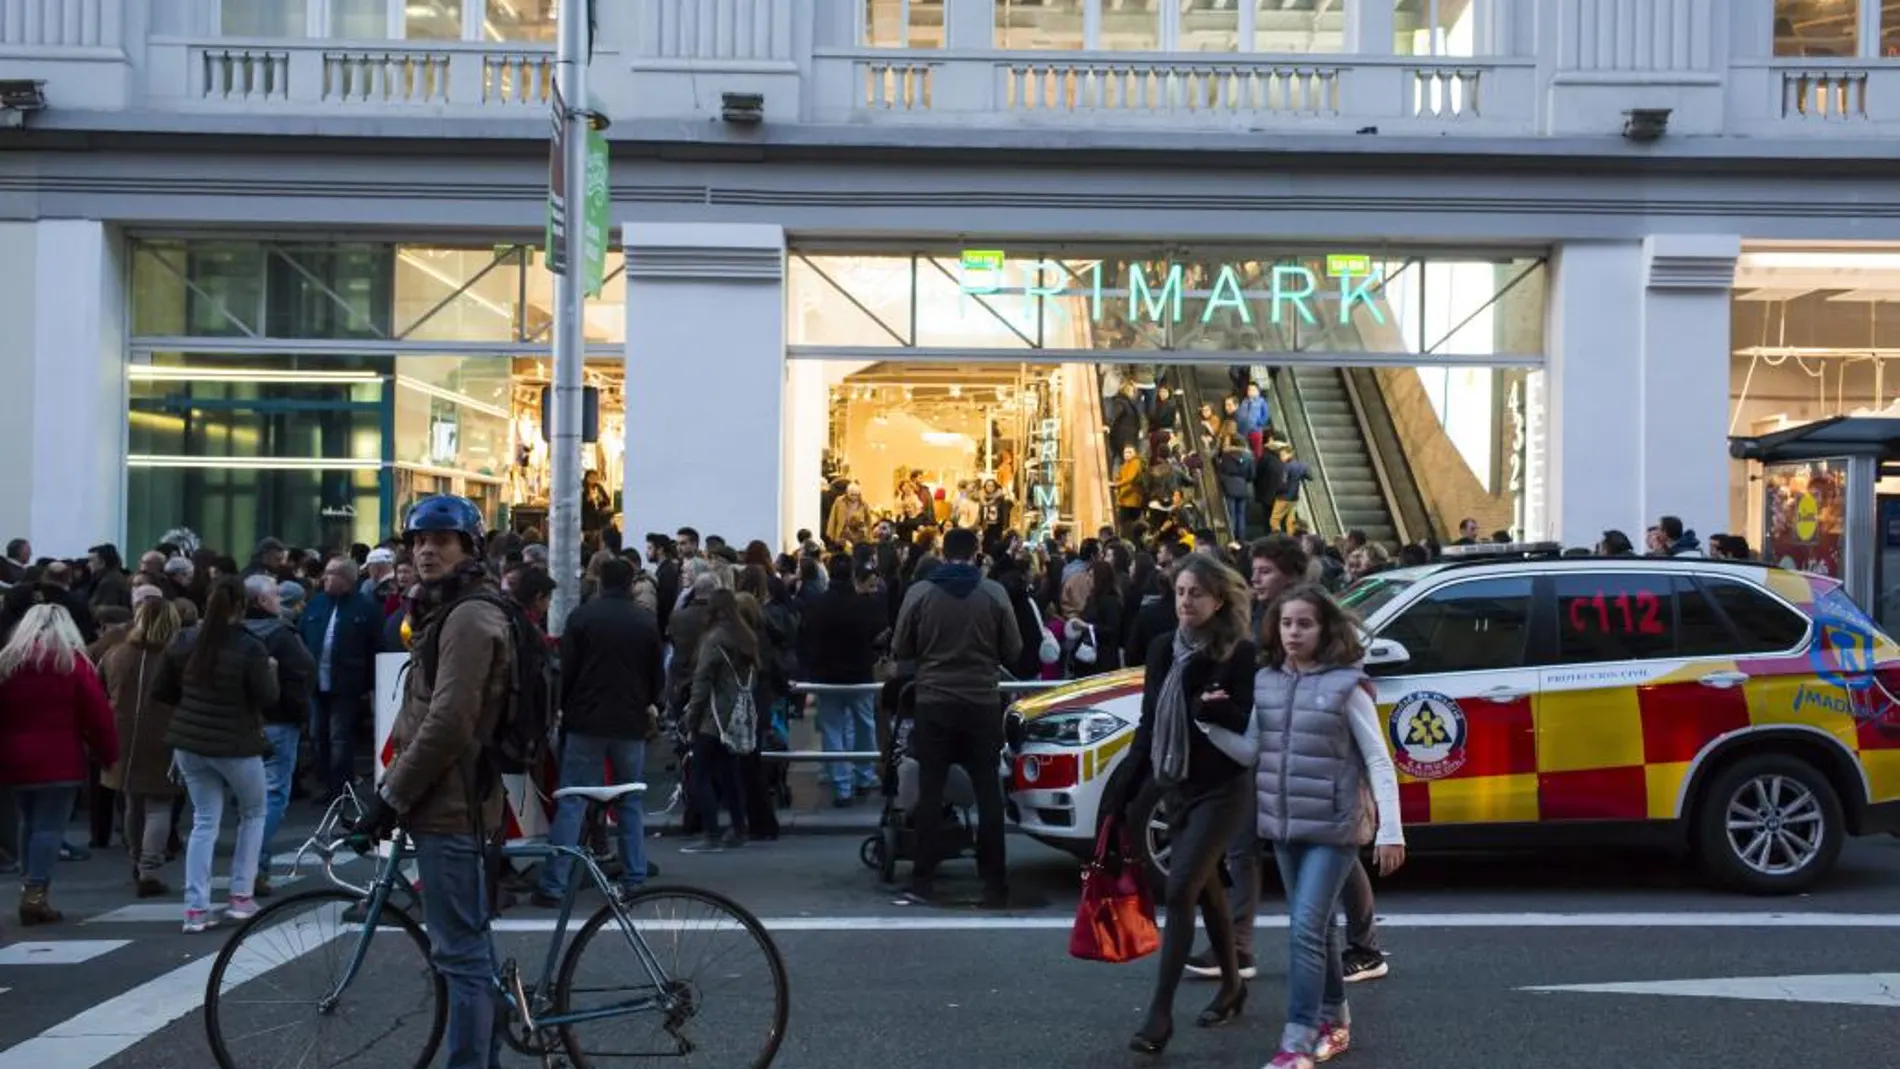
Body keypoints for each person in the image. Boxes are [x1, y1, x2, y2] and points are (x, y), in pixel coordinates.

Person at [351, 494, 513, 1069]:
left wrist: (392, 794)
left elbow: (448, 722)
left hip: (452, 805)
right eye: (418, 541)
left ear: (468, 547)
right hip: (444, 799)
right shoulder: (445, 610)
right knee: (470, 947)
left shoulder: (469, 617)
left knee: (461, 956)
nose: (425, 551)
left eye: (441, 541)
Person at [1106, 554, 1257, 1054]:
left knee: (1179, 889)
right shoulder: (1160, 649)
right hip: (1178, 787)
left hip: (1223, 789)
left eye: (1196, 593)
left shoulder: (1237, 653)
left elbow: (1245, 726)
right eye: (1180, 592)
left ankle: (1159, 1014)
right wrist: (1122, 793)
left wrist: (1215, 709)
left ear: (1218, 600)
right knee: (1208, 889)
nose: (1186, 601)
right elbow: (1151, 725)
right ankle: (1233, 985)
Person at [1253, 584, 1406, 1069]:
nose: (1293, 632)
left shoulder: (1346, 686)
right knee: (1316, 931)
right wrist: (1210, 725)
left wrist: (1390, 830)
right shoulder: (1267, 681)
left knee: (1303, 928)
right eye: (1286, 623)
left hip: (1335, 827)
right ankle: (1335, 1022)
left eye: (1304, 623)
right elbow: (1251, 750)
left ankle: (1296, 1043)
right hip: (1284, 826)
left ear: (1325, 629)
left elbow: (1380, 761)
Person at [890, 526, 1022, 909]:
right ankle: (994, 883)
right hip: (982, 702)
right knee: (987, 792)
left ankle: (923, 879)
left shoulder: (921, 593)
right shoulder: (993, 593)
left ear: (944, 554)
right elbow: (1012, 649)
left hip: (933, 700)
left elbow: (901, 647)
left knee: (931, 791)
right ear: (977, 553)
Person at [536, 556, 664, 903]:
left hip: (586, 719)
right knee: (630, 799)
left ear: (600, 582)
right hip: (629, 719)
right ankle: (634, 873)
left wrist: (563, 707)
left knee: (573, 799)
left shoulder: (581, 618)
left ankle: (556, 881)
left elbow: (568, 671)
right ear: (629, 583)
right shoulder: (644, 621)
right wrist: (649, 702)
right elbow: (656, 676)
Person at [154, 575, 276, 933]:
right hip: (236, 742)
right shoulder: (250, 647)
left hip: (190, 742)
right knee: (253, 814)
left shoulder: (186, 641)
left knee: (204, 821)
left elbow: (161, 689)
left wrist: (191, 707)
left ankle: (196, 908)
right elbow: (266, 697)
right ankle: (241, 895)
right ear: (242, 605)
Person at [0, 602, 118, 925]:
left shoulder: (8, 662)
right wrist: (108, 754)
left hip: (13, 757)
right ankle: (36, 893)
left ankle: (29, 887)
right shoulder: (72, 663)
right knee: (50, 826)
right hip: (60, 757)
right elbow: (98, 716)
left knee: (29, 822)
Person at [98, 595, 184, 898]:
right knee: (159, 804)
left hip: (122, 733)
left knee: (132, 801)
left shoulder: (116, 654)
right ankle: (149, 868)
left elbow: (100, 686)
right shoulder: (177, 656)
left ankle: (137, 861)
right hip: (166, 733)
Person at [680, 589, 759, 853]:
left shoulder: (714, 639)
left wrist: (692, 719)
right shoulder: (746, 637)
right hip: (736, 714)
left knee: (699, 775)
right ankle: (739, 827)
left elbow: (702, 682)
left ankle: (711, 833)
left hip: (713, 717)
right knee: (729, 774)